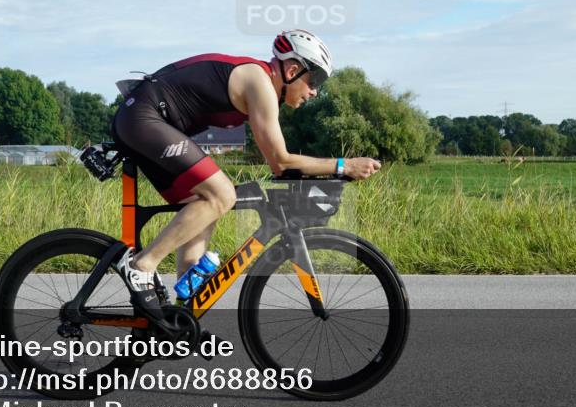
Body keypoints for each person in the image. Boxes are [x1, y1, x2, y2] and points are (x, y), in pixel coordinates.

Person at [111, 30, 381, 317]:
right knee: (221, 195)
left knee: (203, 209)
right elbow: (280, 162)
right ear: (292, 69)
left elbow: (279, 163)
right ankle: (141, 265)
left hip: (147, 121)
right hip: (144, 116)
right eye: (313, 80)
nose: (314, 91)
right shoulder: (260, 83)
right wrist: (344, 165)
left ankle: (181, 316)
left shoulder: (263, 86)